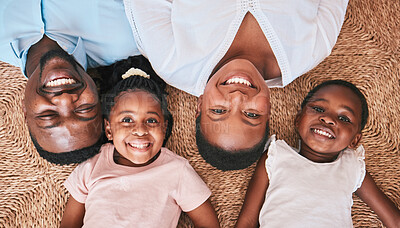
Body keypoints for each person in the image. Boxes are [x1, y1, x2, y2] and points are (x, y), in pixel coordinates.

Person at [123, 0, 350, 170]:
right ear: (269, 110)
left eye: (219, 110)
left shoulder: (171, 61)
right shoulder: (312, 51)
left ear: (200, 105)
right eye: (251, 114)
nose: (238, 97)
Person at [60, 57, 220, 227]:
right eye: (127, 120)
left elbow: (208, 223)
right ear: (108, 129)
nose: (141, 130)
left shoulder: (177, 171)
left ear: (164, 128)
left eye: (151, 120)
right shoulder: (92, 167)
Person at [235, 80, 400, 227]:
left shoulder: (352, 166)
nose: (328, 119)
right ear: (298, 119)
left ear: (354, 141)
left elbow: (393, 219)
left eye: (344, 118)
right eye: (318, 108)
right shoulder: (275, 156)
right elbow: (248, 221)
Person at [0, 0, 140, 164]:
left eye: (48, 115)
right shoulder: (129, 34)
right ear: (98, 95)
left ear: (24, 110)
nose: (64, 98)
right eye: (84, 108)